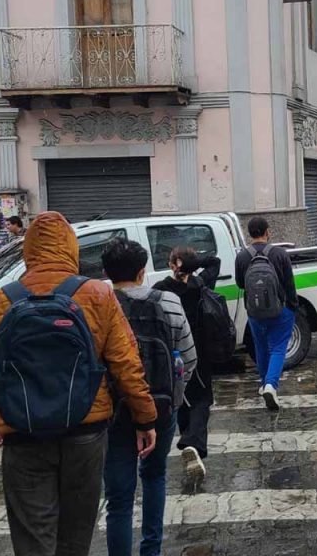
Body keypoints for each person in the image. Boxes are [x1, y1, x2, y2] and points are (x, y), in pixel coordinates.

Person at [0, 212, 158, 556]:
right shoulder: (97, 295)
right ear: (69, 248)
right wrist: (145, 419)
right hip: (85, 431)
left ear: (28, 250)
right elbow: (128, 364)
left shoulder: (1, 301)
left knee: (32, 537)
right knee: (75, 535)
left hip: (22, 433)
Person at [102, 238, 196, 556]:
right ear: (143, 272)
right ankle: (151, 550)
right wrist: (174, 395)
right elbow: (189, 355)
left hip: (113, 412)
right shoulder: (167, 301)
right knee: (155, 476)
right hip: (160, 407)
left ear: (105, 272)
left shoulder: (100, 304)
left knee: (118, 497)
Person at [153, 246, 220, 482]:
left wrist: (182, 265)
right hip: (199, 352)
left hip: (171, 354)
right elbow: (214, 261)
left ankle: (187, 442)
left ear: (172, 264)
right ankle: (193, 444)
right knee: (202, 400)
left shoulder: (160, 290)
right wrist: (191, 264)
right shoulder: (200, 285)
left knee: (180, 399)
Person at [234, 216, 297, 410]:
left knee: (261, 348)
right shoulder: (279, 254)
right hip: (280, 310)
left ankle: (264, 383)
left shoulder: (242, 256)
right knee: (278, 348)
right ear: (267, 231)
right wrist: (292, 306)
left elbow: (240, 283)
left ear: (249, 233)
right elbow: (289, 283)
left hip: (254, 312)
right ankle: (271, 384)